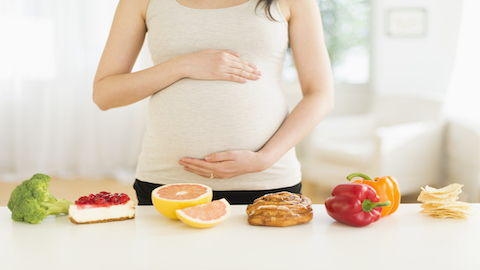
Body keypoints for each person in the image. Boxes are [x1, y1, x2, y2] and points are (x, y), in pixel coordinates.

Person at [93, 0, 334, 205]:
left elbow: (320, 94)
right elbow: (105, 94)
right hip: (168, 182)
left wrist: (264, 159)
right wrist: (182, 65)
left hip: (268, 180)